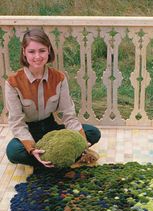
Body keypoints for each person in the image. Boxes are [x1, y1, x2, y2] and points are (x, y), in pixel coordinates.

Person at [5, 28, 101, 170]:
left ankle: (54, 159)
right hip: (29, 131)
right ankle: (55, 159)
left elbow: (69, 115)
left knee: (93, 133)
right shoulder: (13, 83)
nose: (37, 56)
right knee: (13, 152)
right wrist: (31, 149)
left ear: (48, 50)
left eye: (42, 50)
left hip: (52, 130)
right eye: (32, 51)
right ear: (24, 52)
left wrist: (82, 141)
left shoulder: (59, 78)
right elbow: (17, 123)